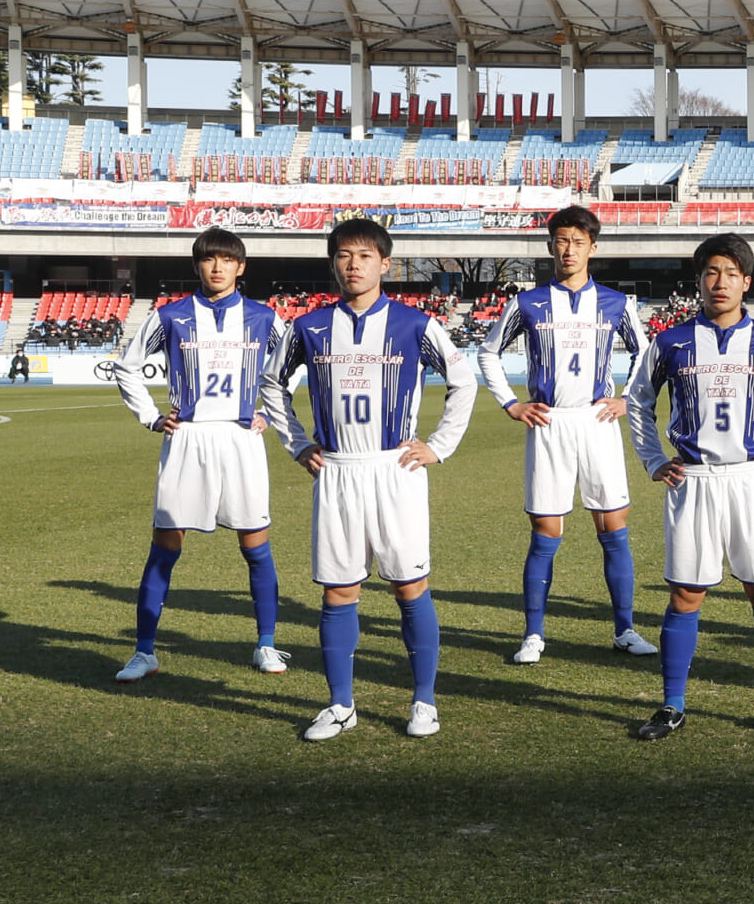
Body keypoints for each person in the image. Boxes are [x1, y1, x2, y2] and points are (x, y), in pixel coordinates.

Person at [263, 217, 478, 741]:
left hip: (394, 468)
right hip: (336, 469)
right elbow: (270, 383)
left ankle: (424, 701)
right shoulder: (308, 327)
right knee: (339, 592)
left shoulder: (414, 324)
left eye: (364, 255)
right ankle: (340, 705)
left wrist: (438, 446)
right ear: (333, 262)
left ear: (385, 263)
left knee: (410, 584)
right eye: (343, 255)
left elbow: (463, 380)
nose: (353, 264)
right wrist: (298, 443)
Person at [625, 234, 754, 741]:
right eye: (711, 272)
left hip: (751, 479)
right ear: (699, 281)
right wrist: (652, 460)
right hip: (693, 479)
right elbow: (637, 402)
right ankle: (671, 705)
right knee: (686, 595)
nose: (720, 282)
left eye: (731, 273)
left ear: (747, 282)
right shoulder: (670, 342)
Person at [477, 205, 654, 667]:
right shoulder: (528, 303)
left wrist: (627, 398)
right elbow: (489, 353)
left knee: (614, 529)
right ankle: (533, 634)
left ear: (593, 248)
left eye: (578, 241)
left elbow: (644, 353)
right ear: (550, 245)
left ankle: (625, 629)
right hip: (549, 422)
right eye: (561, 240)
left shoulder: (617, 303)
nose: (568, 249)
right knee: (544, 533)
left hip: (598, 423)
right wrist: (511, 404)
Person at [106, 228, 286, 682]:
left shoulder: (264, 317)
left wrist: (269, 411)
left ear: (241, 267)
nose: (218, 267)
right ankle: (144, 651)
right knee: (165, 546)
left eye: (227, 259)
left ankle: (266, 644)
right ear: (197, 266)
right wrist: (150, 416)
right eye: (209, 260)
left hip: (242, 438)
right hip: (187, 438)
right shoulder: (171, 316)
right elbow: (126, 366)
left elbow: (290, 367)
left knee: (256, 547)